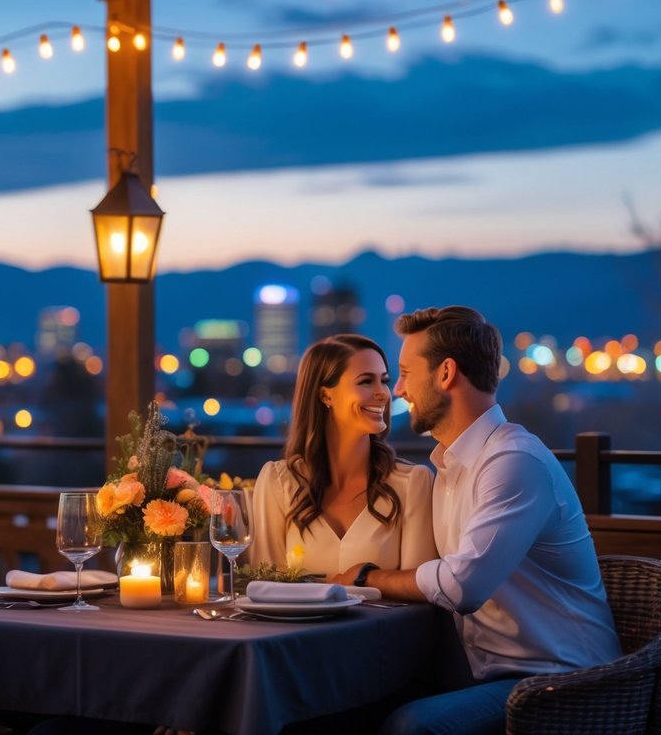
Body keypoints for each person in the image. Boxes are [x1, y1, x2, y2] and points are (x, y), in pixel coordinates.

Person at [332, 307, 621, 735]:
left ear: (446, 373)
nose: (403, 389)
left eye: (408, 373)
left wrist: (365, 575)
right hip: (493, 676)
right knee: (350, 704)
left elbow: (460, 586)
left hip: (563, 683)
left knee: (411, 726)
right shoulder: (451, 468)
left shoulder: (512, 461)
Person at [252, 333, 436, 577]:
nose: (383, 393)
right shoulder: (278, 482)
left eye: (384, 380)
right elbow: (264, 584)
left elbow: (419, 592)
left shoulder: (412, 484)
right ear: (326, 395)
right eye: (366, 382)